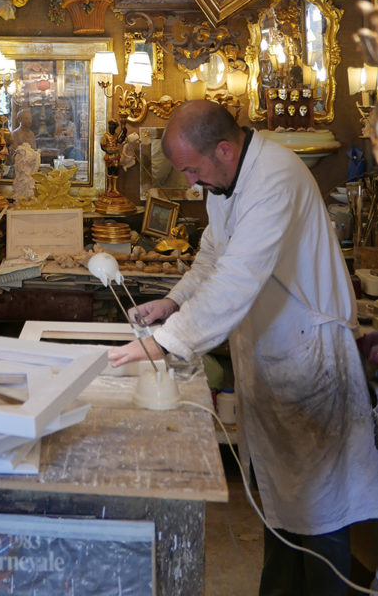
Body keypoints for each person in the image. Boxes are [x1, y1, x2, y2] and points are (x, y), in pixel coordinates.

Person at [109, 100, 378, 596]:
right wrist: (172, 301)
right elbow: (214, 256)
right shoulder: (226, 182)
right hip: (278, 355)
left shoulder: (274, 177)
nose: (190, 182)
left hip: (311, 359)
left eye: (192, 169)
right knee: (281, 507)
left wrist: (166, 344)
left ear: (225, 149)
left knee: (318, 512)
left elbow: (236, 280)